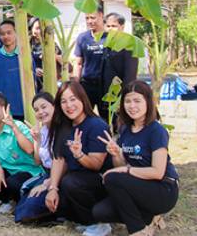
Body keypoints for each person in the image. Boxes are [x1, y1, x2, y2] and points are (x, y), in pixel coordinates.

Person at [92, 81, 179, 236]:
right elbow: (121, 165)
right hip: (140, 186)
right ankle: (150, 217)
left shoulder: (156, 131)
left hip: (163, 189)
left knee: (113, 178)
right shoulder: (125, 130)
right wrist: (117, 154)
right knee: (100, 211)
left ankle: (138, 230)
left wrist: (126, 170)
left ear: (148, 102)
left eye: (137, 101)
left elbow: (157, 172)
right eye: (127, 101)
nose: (132, 106)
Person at [45, 80, 111, 236]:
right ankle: (84, 220)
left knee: (70, 182)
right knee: (55, 200)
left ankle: (100, 223)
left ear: (82, 99)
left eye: (73, 99)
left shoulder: (96, 125)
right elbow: (59, 159)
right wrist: (52, 188)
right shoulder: (63, 126)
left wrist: (79, 155)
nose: (69, 105)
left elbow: (96, 164)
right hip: (77, 180)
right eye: (63, 101)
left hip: (100, 181)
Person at [0, 93, 43, 214]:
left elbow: (30, 150)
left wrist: (14, 127)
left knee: (13, 182)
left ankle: (20, 202)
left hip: (29, 171)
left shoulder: (18, 125)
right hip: (9, 170)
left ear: (5, 109)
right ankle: (7, 201)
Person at [15, 92, 55, 223]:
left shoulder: (62, 129)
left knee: (29, 210)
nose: (40, 112)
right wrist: (37, 140)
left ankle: (58, 214)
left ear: (54, 106)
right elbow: (37, 162)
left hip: (60, 176)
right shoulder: (43, 131)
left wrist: (48, 183)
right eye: (36, 110)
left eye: (44, 107)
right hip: (47, 173)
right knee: (20, 210)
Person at [73, 5, 108, 116]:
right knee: (84, 116)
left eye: (93, 18)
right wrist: (75, 85)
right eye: (87, 18)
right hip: (87, 85)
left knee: (107, 118)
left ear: (101, 16)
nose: (90, 21)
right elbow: (78, 63)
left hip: (105, 86)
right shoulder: (82, 38)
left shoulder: (110, 37)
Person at [0, 20, 26, 119]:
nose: (6, 36)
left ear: (16, 33)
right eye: (2, 34)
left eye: (9, 33)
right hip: (0, 112)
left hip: (24, 110)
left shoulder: (26, 57)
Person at [101, 13, 139, 97]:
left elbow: (130, 75)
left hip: (120, 94)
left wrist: (124, 96)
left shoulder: (129, 45)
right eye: (108, 26)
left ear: (122, 27)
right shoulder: (106, 44)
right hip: (106, 94)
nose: (110, 29)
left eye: (114, 26)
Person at [29, 18, 62, 91]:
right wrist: (34, 69)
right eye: (37, 28)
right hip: (32, 83)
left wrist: (52, 56)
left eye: (41, 28)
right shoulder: (27, 44)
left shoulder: (51, 44)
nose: (40, 31)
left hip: (49, 80)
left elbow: (63, 61)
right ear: (31, 29)